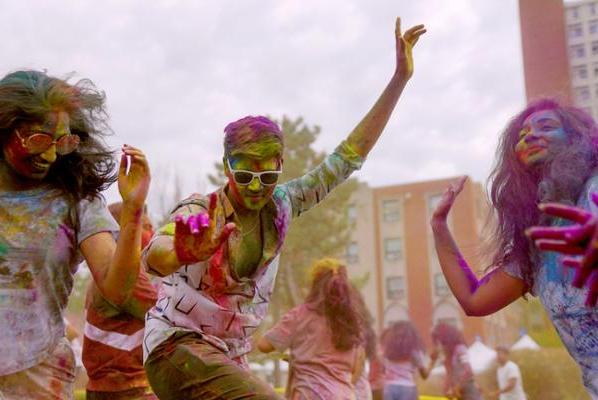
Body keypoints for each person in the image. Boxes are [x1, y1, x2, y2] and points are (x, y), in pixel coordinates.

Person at [141, 17, 425, 400]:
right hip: (177, 346)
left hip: (230, 356)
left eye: (267, 176)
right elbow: (155, 255)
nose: (256, 188)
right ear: (227, 168)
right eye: (244, 176)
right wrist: (178, 252)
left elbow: (348, 157)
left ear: (281, 165)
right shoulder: (202, 210)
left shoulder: (284, 205)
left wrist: (398, 81)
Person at [430, 98, 598, 397]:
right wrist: (440, 227)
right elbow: (475, 300)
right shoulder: (538, 241)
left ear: (577, 138)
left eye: (547, 126)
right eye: (523, 134)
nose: (530, 135)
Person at [0, 70, 150, 399]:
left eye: (62, 141)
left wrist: (133, 210)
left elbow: (117, 288)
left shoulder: (76, 202)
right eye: (38, 139)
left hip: (37, 377)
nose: (51, 154)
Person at [257, 258, 367, 399]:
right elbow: (356, 368)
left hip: (308, 394)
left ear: (315, 285)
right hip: (343, 395)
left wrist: (300, 355)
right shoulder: (351, 322)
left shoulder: (300, 315)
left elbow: (263, 345)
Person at [82, 202, 158, 400]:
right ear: (125, 233)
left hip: (113, 388)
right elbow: (165, 317)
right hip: (125, 390)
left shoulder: (105, 273)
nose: (154, 233)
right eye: (147, 227)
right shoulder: (125, 276)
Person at [379, 320, 436, 400]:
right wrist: (432, 362)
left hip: (389, 387)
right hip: (407, 387)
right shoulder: (414, 351)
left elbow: (382, 370)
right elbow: (424, 375)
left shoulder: (387, 350)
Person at [431, 323, 481, 400]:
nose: (439, 342)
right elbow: (449, 374)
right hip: (458, 392)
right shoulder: (447, 355)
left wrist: (458, 387)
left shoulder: (460, 349)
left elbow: (468, 371)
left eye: (439, 339)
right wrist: (446, 388)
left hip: (469, 389)